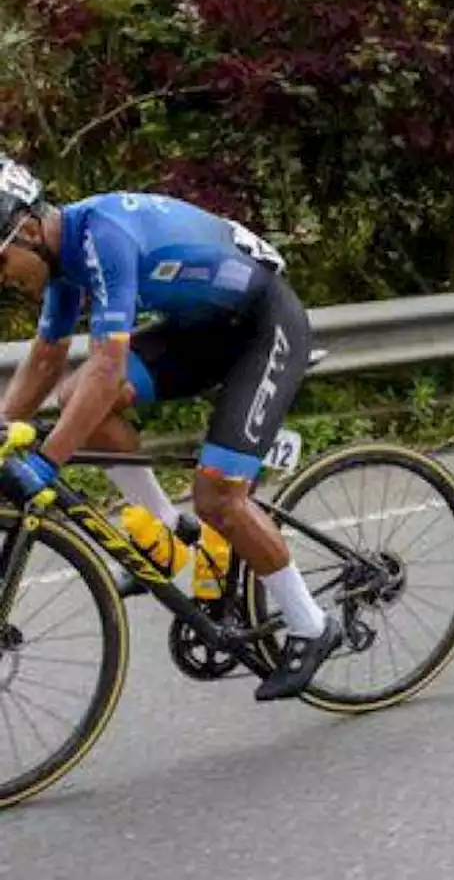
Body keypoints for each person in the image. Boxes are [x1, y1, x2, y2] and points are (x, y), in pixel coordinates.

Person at [0, 155, 340, 701]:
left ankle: (311, 625)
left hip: (261, 325)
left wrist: (44, 464)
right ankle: (164, 532)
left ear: (29, 230)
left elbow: (109, 369)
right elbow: (47, 357)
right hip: (199, 330)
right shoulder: (62, 265)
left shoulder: (102, 236)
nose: (5, 280)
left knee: (219, 498)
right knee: (75, 398)